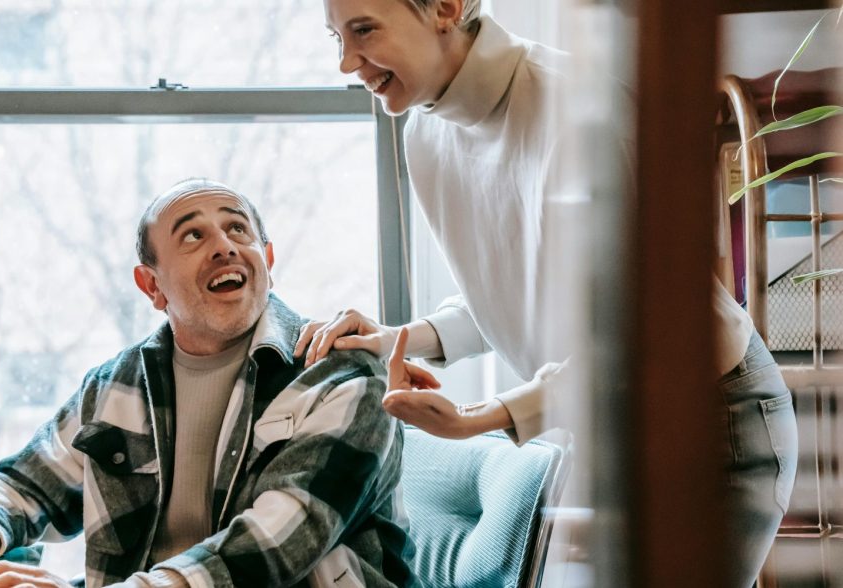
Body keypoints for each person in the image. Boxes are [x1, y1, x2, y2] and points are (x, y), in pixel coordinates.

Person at [311, 1, 799, 586]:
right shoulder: (424, 136)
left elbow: (639, 329)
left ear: (445, 7)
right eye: (336, 38)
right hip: (603, 422)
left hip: (714, 417)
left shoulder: (575, 106)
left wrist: (482, 418)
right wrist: (397, 338)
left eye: (363, 30)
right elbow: (509, 292)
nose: (346, 63)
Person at [0, 179, 417, 588]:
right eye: (191, 236)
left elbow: (269, 550)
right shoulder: (117, 384)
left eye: (238, 229)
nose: (224, 245)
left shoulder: (343, 374)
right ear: (152, 287)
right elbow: (24, 486)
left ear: (266, 258)